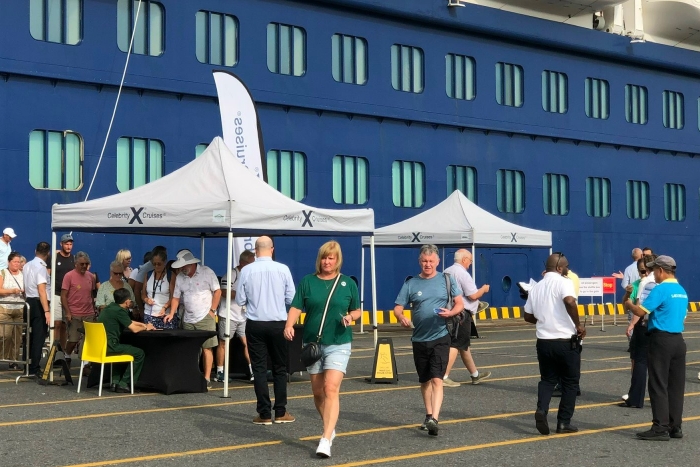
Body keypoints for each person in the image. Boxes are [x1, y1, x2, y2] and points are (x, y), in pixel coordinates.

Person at [285, 241, 361, 458]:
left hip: (339, 342)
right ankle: (330, 424)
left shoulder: (348, 283)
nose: (327, 262)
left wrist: (350, 317)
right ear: (319, 259)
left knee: (330, 389)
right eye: (324, 258)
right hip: (312, 343)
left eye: (331, 258)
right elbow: (297, 306)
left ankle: (326, 438)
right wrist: (289, 324)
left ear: (338, 260)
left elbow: (356, 310)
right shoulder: (308, 282)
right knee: (317, 392)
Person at [393, 244, 464, 437]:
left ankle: (435, 419)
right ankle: (428, 415)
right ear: (419, 261)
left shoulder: (446, 280)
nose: (428, 264)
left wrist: (451, 312)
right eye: (424, 261)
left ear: (438, 262)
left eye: (431, 261)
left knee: (436, 379)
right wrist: (401, 317)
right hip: (419, 339)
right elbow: (398, 307)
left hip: (441, 336)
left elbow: (460, 303)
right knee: (424, 381)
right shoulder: (411, 283)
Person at [625, 255, 688, 440]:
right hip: (678, 341)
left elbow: (640, 311)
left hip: (661, 340)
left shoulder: (661, 289)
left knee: (658, 384)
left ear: (661, 270)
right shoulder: (681, 290)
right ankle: (675, 426)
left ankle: (660, 427)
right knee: (675, 386)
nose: (652, 274)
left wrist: (628, 302)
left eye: (653, 270)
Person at [523, 252, 585, 435]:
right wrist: (578, 325)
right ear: (559, 268)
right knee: (570, 382)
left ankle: (542, 410)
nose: (567, 269)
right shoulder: (564, 282)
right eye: (566, 266)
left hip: (544, 342)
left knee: (548, 380)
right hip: (565, 341)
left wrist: (544, 321)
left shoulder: (537, 287)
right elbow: (569, 301)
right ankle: (564, 422)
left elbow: (527, 316)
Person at [236, 236, 296, 425]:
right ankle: (280, 412)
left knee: (259, 368)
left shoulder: (246, 270)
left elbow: (239, 300)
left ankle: (263, 414)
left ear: (255, 250)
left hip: (255, 324)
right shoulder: (283, 269)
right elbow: (291, 299)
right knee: (280, 368)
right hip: (278, 323)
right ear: (272, 249)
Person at [165, 250, 220, 387]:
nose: (182, 269)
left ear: (191, 263)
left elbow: (217, 291)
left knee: (207, 348)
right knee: (191, 349)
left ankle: (206, 378)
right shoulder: (180, 277)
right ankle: (192, 376)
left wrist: (212, 310)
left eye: (183, 266)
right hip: (188, 317)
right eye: (181, 267)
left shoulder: (207, 272)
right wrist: (172, 313)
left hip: (205, 316)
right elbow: (176, 297)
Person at [442, 249, 491, 387]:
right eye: (470, 260)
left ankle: (475, 375)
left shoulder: (446, 271)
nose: (470, 263)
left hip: (450, 312)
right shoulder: (463, 274)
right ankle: (444, 376)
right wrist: (484, 289)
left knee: (463, 345)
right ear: (464, 260)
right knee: (456, 344)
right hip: (462, 315)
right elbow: (472, 295)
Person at [97, 288, 155, 392]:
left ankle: (115, 381)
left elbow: (127, 321)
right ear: (127, 301)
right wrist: (147, 327)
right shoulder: (120, 311)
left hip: (100, 347)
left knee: (120, 351)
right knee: (139, 353)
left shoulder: (109, 308)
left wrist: (142, 324)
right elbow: (134, 329)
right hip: (111, 346)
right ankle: (124, 383)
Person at [215, 250, 255, 383]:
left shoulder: (250, 275)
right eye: (251, 263)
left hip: (243, 316)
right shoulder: (231, 274)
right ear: (242, 263)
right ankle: (220, 372)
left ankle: (252, 371)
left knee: (247, 343)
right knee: (223, 342)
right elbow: (224, 293)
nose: (253, 266)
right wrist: (243, 296)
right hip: (228, 315)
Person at [619, 257, 653, 408]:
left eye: (645, 271)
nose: (643, 274)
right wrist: (627, 295)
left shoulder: (645, 283)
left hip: (645, 325)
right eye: (641, 271)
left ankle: (635, 399)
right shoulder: (637, 284)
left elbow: (639, 309)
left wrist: (632, 324)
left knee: (640, 362)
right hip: (659, 327)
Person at [61, 251, 97, 362]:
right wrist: (67, 312)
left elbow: (92, 294)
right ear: (76, 264)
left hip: (88, 313)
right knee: (73, 339)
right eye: (82, 264)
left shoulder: (91, 277)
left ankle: (85, 362)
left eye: (86, 264)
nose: (84, 266)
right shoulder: (69, 276)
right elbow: (63, 296)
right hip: (74, 313)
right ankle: (67, 356)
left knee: (88, 340)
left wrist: (94, 310)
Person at [23, 242, 51, 377]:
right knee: (38, 337)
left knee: (29, 336)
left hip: (28, 302)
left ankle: (26, 365)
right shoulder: (41, 268)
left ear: (35, 251)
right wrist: (46, 311)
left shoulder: (27, 265)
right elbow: (42, 291)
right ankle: (34, 367)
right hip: (38, 303)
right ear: (48, 253)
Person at [0, 252, 24, 366]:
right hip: (5, 308)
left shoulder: (23, 274)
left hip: (19, 308)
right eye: (14, 261)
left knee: (17, 337)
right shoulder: (3, 273)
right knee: (5, 335)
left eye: (19, 262)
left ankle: (13, 361)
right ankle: (2, 357)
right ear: (9, 262)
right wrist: (12, 291)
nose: (17, 264)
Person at [142, 250, 176, 329]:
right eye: (154, 264)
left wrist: (165, 307)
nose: (156, 266)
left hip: (165, 315)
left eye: (159, 264)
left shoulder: (171, 275)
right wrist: (146, 299)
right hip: (149, 314)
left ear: (164, 262)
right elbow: (143, 294)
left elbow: (173, 295)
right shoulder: (148, 274)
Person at [53, 234, 75, 350]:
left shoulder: (74, 259)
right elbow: (48, 273)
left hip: (68, 296)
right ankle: (54, 351)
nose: (69, 246)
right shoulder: (54, 257)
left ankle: (62, 350)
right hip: (56, 294)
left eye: (71, 244)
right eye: (66, 244)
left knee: (64, 325)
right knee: (56, 324)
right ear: (61, 244)